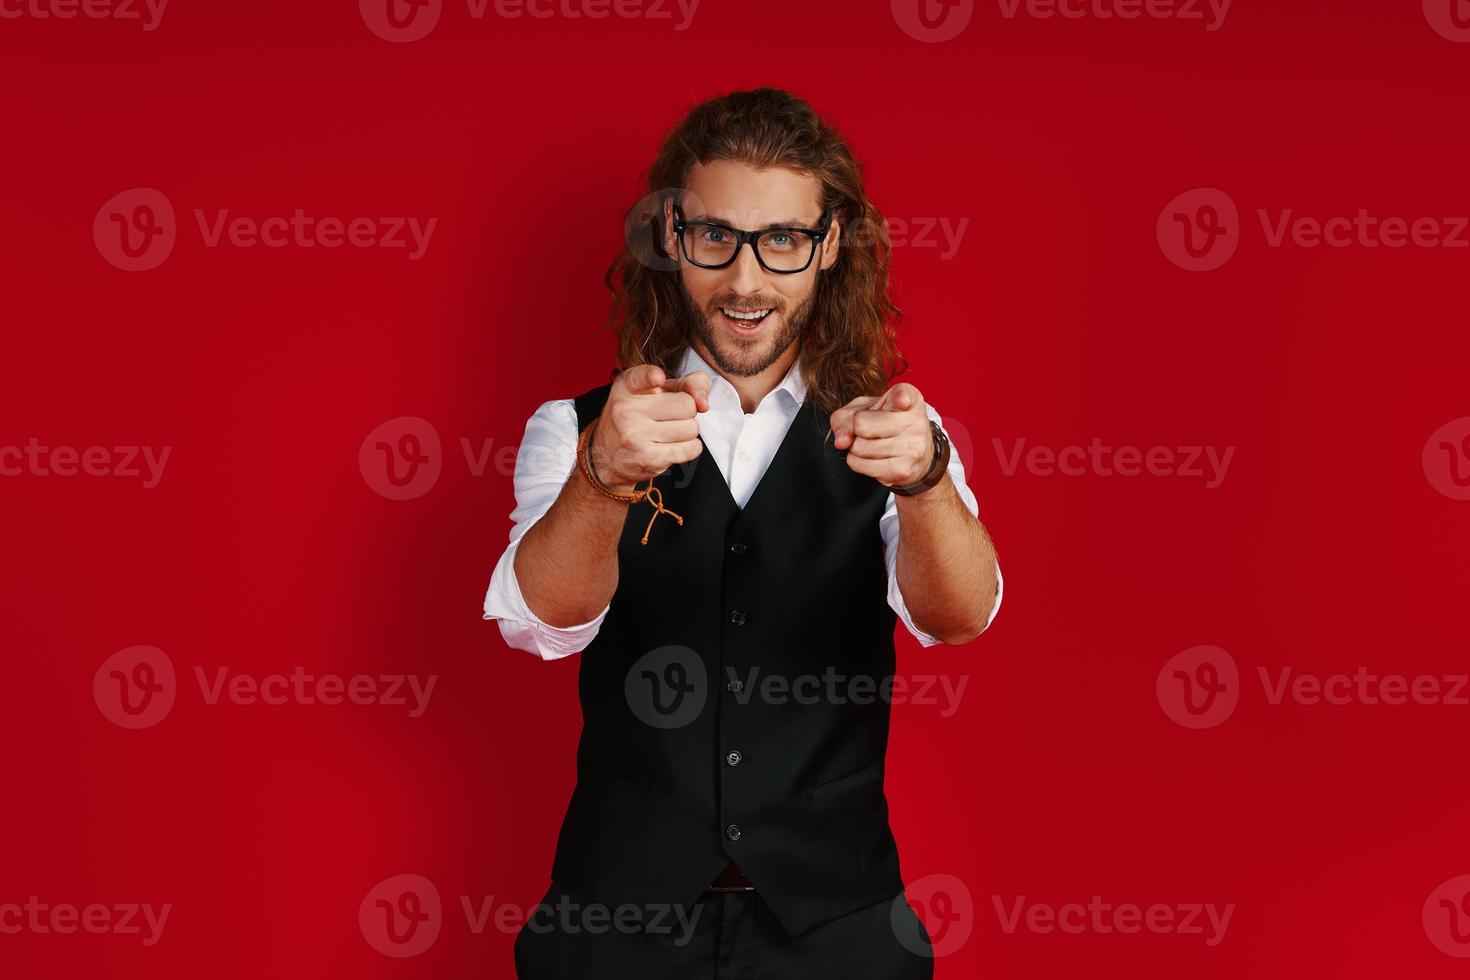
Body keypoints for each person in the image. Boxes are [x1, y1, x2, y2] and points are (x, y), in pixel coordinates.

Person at [484, 86, 1002, 979]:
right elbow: (541, 625)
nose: (746, 280)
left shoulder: (899, 432)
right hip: (616, 925)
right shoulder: (577, 430)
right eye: (717, 236)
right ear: (673, 236)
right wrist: (602, 480)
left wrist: (923, 482)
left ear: (829, 244)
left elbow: (959, 616)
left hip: (838, 929)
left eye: (784, 240)